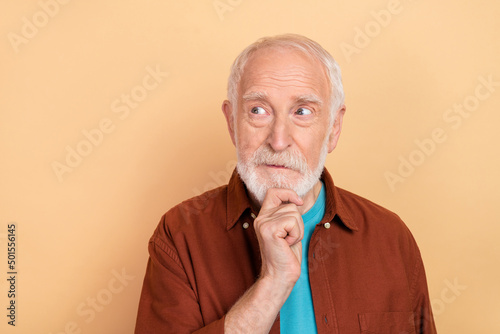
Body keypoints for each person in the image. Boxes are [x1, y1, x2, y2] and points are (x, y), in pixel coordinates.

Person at [134, 34, 437, 334]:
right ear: (231, 123)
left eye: (302, 112)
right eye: (258, 110)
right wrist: (272, 284)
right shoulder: (179, 234)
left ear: (334, 127)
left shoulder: (391, 237)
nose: (278, 141)